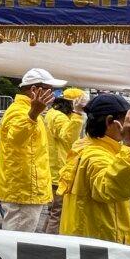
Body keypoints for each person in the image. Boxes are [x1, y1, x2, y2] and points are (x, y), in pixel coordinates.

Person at [57, 94, 130, 245]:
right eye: (128, 122)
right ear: (110, 121)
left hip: (86, 237)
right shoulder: (96, 155)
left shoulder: (87, 145)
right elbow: (112, 189)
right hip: (101, 243)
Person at [0, 68, 66, 233]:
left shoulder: (28, 111)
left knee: (18, 242)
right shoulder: (20, 112)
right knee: (16, 244)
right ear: (35, 90)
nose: (54, 95)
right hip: (23, 192)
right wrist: (32, 114)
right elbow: (16, 137)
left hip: (27, 190)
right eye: (50, 90)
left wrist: (34, 113)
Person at [44, 88, 86, 234]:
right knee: (57, 212)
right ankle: (50, 244)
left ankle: (45, 237)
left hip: (54, 169)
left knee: (53, 211)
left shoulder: (53, 113)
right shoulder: (59, 117)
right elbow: (69, 137)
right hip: (59, 171)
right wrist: (78, 115)